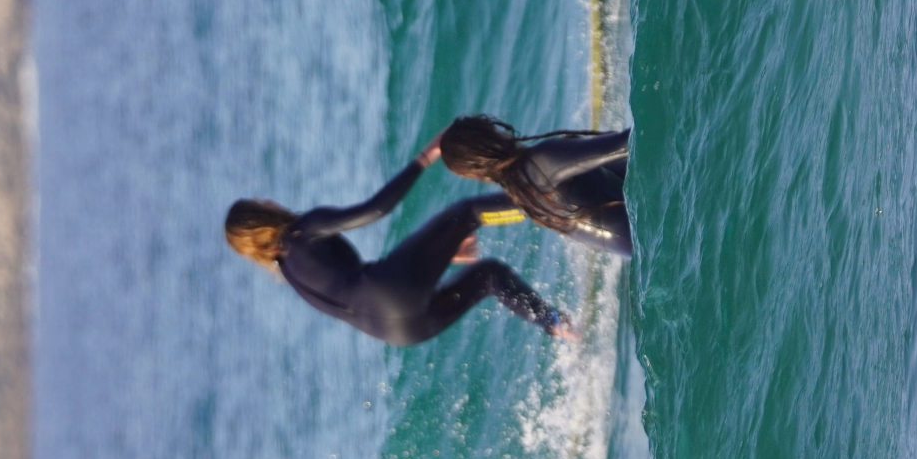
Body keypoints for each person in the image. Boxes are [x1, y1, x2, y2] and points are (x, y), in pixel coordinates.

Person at [224, 136, 573, 346]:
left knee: (489, 276)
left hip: (400, 332)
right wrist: (427, 156)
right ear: (262, 215)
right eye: (261, 203)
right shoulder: (302, 232)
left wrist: (441, 256)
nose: (269, 200)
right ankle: (553, 203)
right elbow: (376, 209)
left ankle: (557, 325)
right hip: (391, 290)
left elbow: (360, 287)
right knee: (468, 212)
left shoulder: (290, 271)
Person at [437, 115, 631, 257]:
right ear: (490, 133)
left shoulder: (523, 198)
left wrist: (450, 244)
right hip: (643, 226)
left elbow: (475, 211)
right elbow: (627, 144)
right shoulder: (541, 162)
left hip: (637, 246)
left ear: (477, 173)